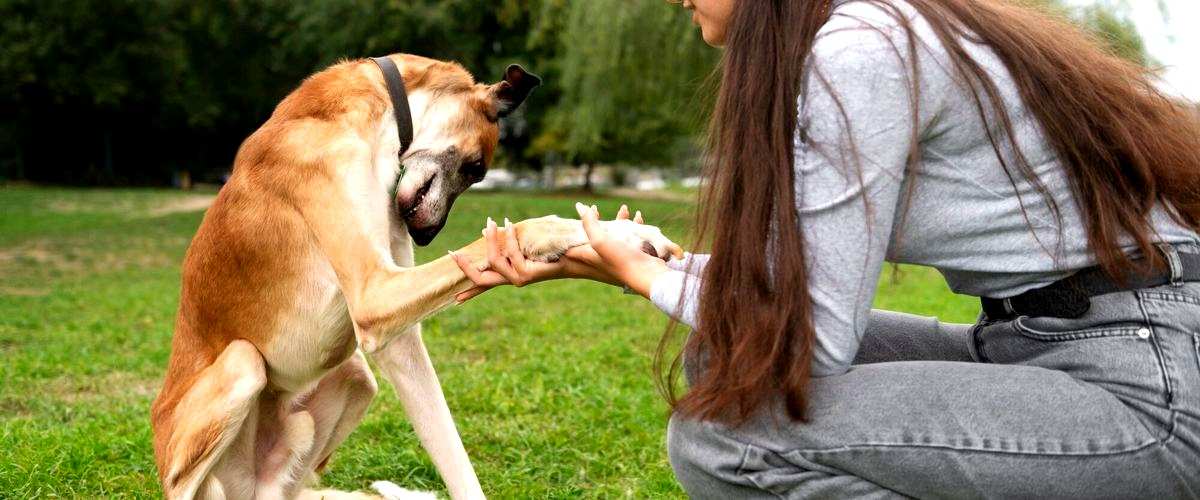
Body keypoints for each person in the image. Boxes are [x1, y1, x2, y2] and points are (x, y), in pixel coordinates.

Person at [453, 0, 1200, 497]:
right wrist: (639, 267)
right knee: (718, 360)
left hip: (1145, 384)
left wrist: (646, 277)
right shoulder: (866, 34)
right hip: (1041, 337)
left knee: (724, 438)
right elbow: (794, 284)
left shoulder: (863, 51)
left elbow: (812, 333)